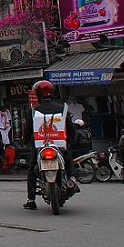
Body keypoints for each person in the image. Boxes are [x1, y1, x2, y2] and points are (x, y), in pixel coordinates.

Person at [23, 80, 77, 210]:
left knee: (32, 169)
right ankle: (72, 179)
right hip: (59, 146)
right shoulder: (62, 108)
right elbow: (70, 128)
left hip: (40, 146)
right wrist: (70, 141)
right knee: (68, 160)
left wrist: (26, 141)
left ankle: (31, 199)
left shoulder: (33, 111)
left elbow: (28, 131)